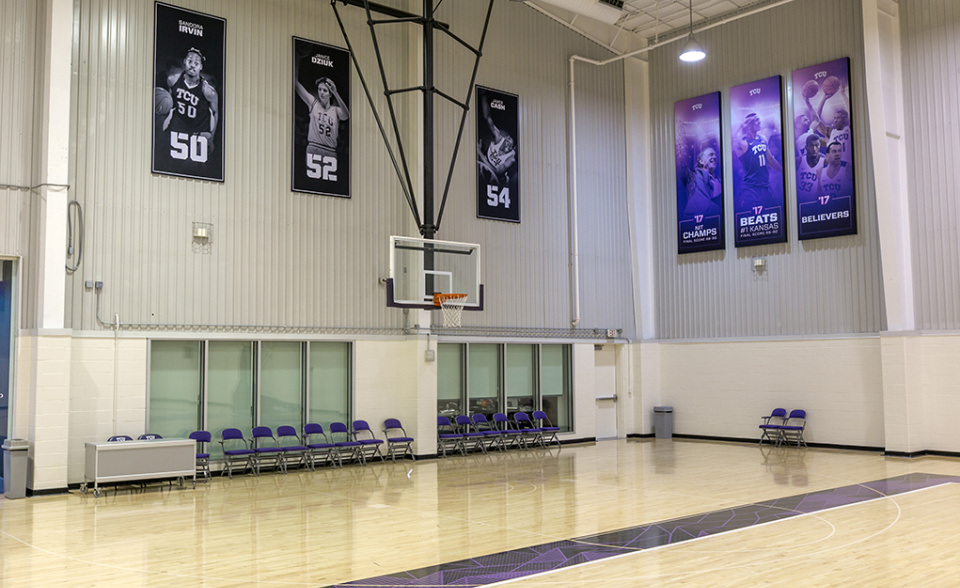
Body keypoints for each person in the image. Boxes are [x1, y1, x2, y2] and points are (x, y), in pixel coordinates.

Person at [162, 47, 219, 164]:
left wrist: (212, 138)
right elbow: (171, 102)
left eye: (196, 63)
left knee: (195, 169)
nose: (192, 65)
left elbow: (215, 112)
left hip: (197, 133)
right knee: (166, 162)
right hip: (176, 129)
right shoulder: (172, 80)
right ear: (184, 61)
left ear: (201, 67)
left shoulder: (208, 91)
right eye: (190, 61)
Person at [295, 60, 350, 178]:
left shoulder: (335, 110)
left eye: (325, 90)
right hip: (313, 147)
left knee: (327, 183)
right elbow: (296, 84)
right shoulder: (313, 103)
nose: (321, 93)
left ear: (330, 94)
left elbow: (347, 115)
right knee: (311, 180)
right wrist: (297, 58)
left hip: (330, 150)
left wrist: (336, 92)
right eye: (319, 89)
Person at [733, 112, 782, 209]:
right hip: (751, 188)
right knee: (752, 215)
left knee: (776, 213)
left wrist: (783, 171)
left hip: (765, 186)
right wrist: (741, 125)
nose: (759, 122)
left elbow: (770, 160)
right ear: (749, 126)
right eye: (756, 120)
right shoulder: (743, 142)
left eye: (759, 119)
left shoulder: (762, 138)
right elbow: (729, 141)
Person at [477, 98, 516, 187]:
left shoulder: (511, 159)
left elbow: (497, 171)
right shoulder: (499, 138)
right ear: (505, 139)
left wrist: (480, 153)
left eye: (510, 146)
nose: (506, 146)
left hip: (499, 182)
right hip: (485, 167)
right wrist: (482, 96)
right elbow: (487, 117)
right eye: (507, 142)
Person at [683, 146, 722, 216]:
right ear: (701, 161)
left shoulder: (719, 180)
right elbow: (702, 204)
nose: (715, 157)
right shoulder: (694, 176)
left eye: (716, 155)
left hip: (715, 220)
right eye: (711, 154)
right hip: (696, 220)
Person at [795, 133, 823, 204]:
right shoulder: (799, 161)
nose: (814, 149)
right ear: (806, 147)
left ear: (820, 146)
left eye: (816, 145)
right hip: (799, 203)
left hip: (817, 203)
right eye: (811, 146)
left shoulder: (825, 161)